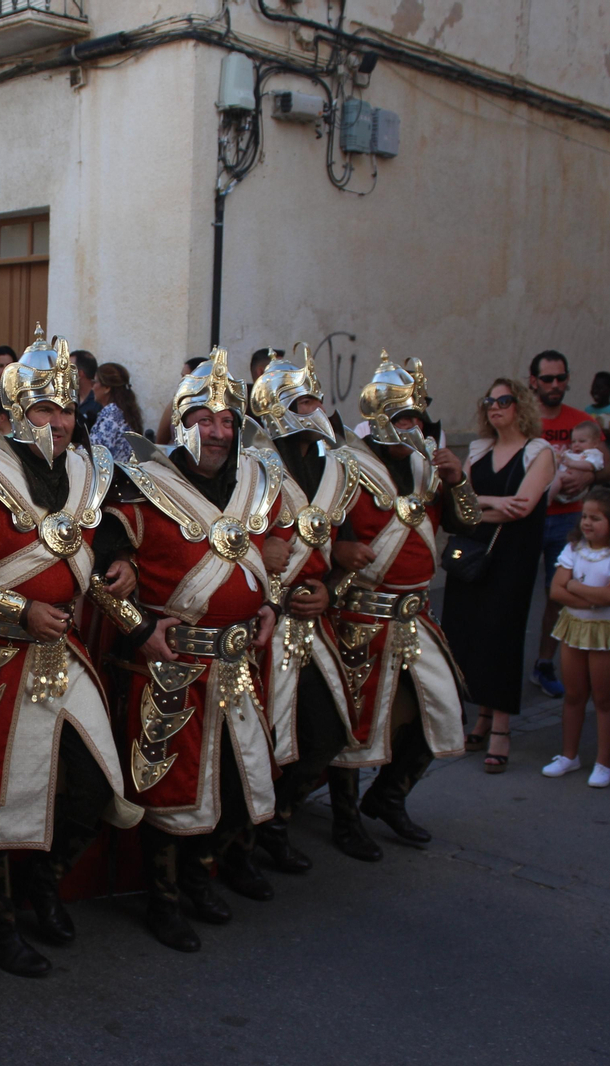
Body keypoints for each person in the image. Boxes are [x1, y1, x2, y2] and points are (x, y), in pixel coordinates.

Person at [0, 327, 142, 973]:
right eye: (44, 408)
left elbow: (96, 551)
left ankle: (46, 883)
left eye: (67, 408)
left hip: (62, 658)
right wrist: (16, 606)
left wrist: (121, 566)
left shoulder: (87, 473)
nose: (59, 421)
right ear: (17, 412)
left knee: (95, 786)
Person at [104, 348, 286, 953]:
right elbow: (103, 568)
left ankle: (204, 879)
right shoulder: (140, 485)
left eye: (227, 420)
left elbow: (274, 560)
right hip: (173, 665)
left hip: (237, 664)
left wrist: (271, 604)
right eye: (205, 419)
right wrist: (136, 624)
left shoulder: (254, 485)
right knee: (170, 789)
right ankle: (164, 898)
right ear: (182, 422)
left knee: (235, 780)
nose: (217, 430)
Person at [323, 353, 481, 850]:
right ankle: (345, 818)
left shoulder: (428, 461)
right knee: (357, 721)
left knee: (445, 706)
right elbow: (325, 529)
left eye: (418, 416)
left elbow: (465, 523)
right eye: (404, 417)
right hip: (361, 613)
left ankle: (390, 796)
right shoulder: (346, 461)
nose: (414, 426)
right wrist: (341, 550)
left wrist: (457, 481)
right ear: (382, 419)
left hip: (415, 614)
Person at [244, 347, 359, 868]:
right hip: (262, 626)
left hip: (315, 627)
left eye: (316, 399)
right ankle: (251, 839)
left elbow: (350, 552)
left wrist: (332, 590)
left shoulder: (334, 467)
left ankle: (281, 818)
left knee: (329, 731)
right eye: (305, 400)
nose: (317, 410)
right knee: (261, 743)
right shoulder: (250, 468)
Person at [441, 379, 555, 775]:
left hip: (512, 556)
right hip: (473, 554)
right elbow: (461, 502)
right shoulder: (479, 449)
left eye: (503, 400)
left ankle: (501, 728)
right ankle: (483, 717)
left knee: (501, 633)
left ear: (520, 405)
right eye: (488, 400)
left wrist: (479, 507)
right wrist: (492, 504)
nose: (494, 406)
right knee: (469, 631)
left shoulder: (539, 452)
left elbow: (522, 508)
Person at [542, 488, 610, 788]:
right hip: (575, 627)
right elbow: (555, 591)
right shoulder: (574, 549)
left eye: (596, 518)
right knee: (573, 695)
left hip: (607, 633)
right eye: (585, 516)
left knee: (604, 698)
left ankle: (603, 762)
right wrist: (590, 600)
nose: (587, 523)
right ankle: (569, 755)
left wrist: (574, 586)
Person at [529, 350, 610, 698]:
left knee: (558, 593)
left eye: (561, 378)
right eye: (547, 379)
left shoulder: (582, 420)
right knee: (515, 594)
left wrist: (589, 475)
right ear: (533, 381)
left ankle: (544, 663)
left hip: (568, 521)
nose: (555, 385)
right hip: (528, 518)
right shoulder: (523, 420)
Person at [87, 361, 143, 463]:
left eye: (94, 382)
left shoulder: (111, 415)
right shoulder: (122, 411)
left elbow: (93, 452)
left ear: (107, 388)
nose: (92, 387)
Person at [153, 355, 209, 444]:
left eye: (185, 377)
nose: (181, 382)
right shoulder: (175, 404)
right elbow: (161, 442)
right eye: (182, 377)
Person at [551, 420, 608, 506]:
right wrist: (558, 459)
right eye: (574, 441)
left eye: (582, 441)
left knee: (557, 475)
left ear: (595, 443)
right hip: (562, 484)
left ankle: (547, 499)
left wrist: (571, 463)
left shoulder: (593, 454)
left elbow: (590, 466)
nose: (576, 444)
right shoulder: (570, 453)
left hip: (574, 487)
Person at [71, 348, 100, 427]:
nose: (63, 374)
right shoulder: (69, 398)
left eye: (67, 370)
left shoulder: (100, 401)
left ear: (79, 374)